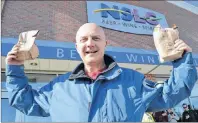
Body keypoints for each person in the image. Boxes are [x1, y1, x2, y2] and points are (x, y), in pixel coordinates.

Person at [5, 23, 197, 122]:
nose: (90, 43)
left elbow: (172, 93)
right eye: (84, 39)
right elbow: (24, 101)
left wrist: (183, 60)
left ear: (106, 44)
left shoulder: (133, 81)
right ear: (77, 46)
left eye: (96, 38)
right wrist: (14, 68)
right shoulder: (59, 87)